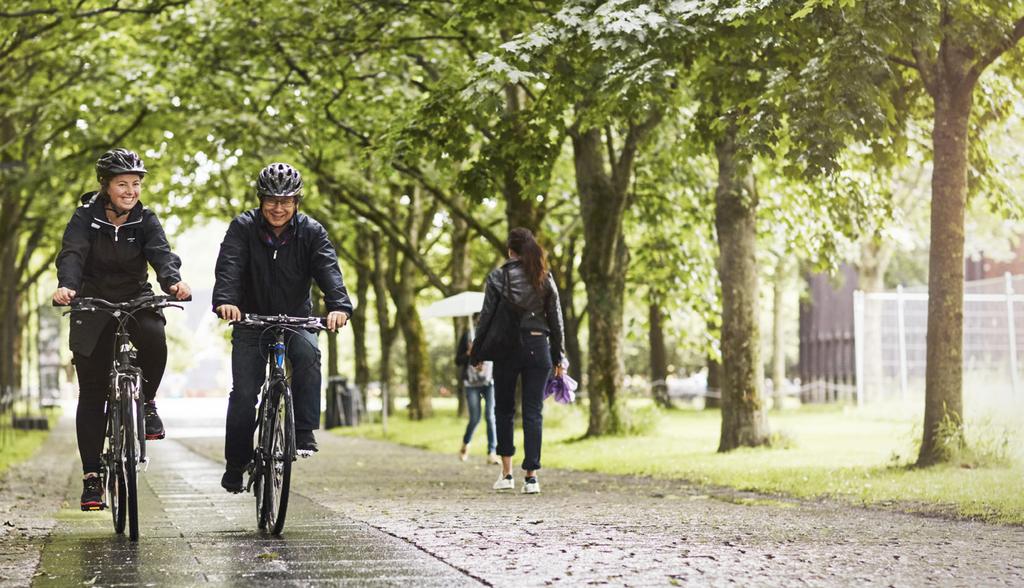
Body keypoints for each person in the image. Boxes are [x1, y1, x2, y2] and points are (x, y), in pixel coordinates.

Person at [53, 148, 192, 510]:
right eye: (122, 184)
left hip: (134, 298)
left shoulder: (145, 219)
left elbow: (162, 254)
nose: (130, 191)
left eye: (135, 184)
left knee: (154, 335)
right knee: (93, 390)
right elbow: (72, 253)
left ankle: (147, 403)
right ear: (106, 186)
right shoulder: (85, 217)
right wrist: (68, 286)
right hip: (93, 302)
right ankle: (92, 478)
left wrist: (173, 282)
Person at [213, 162, 353, 493]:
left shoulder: (312, 231)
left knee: (307, 354)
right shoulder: (242, 228)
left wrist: (338, 307)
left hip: (296, 317)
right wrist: (226, 301)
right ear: (261, 200)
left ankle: (303, 431)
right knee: (245, 394)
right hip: (251, 319)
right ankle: (235, 463)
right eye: (272, 201)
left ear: (296, 202)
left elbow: (328, 271)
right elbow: (229, 267)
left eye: (286, 201)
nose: (279, 208)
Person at [471, 227, 565, 494]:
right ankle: (532, 477)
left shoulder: (497, 277)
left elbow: (486, 317)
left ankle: (507, 473)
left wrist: (477, 352)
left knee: (504, 410)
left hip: (507, 348)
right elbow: (556, 320)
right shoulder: (544, 276)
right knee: (533, 412)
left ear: (509, 250)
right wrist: (559, 355)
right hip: (539, 347)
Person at [456, 314, 497, 463]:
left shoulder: (493, 334)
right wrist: (469, 353)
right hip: (471, 383)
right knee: (475, 418)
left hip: (489, 381)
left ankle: (492, 452)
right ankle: (465, 444)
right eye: (478, 318)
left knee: (490, 416)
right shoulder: (467, 336)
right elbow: (457, 360)